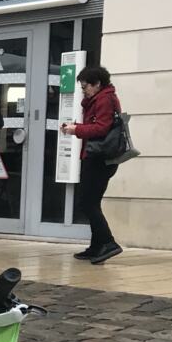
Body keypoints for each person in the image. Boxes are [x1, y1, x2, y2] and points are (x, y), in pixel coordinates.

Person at [61, 65, 124, 264]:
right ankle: (97, 246)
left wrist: (75, 130)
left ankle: (108, 242)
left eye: (85, 86)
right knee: (91, 201)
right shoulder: (99, 99)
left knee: (86, 202)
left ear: (97, 84)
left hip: (99, 158)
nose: (83, 90)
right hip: (97, 156)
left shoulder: (104, 99)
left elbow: (101, 129)